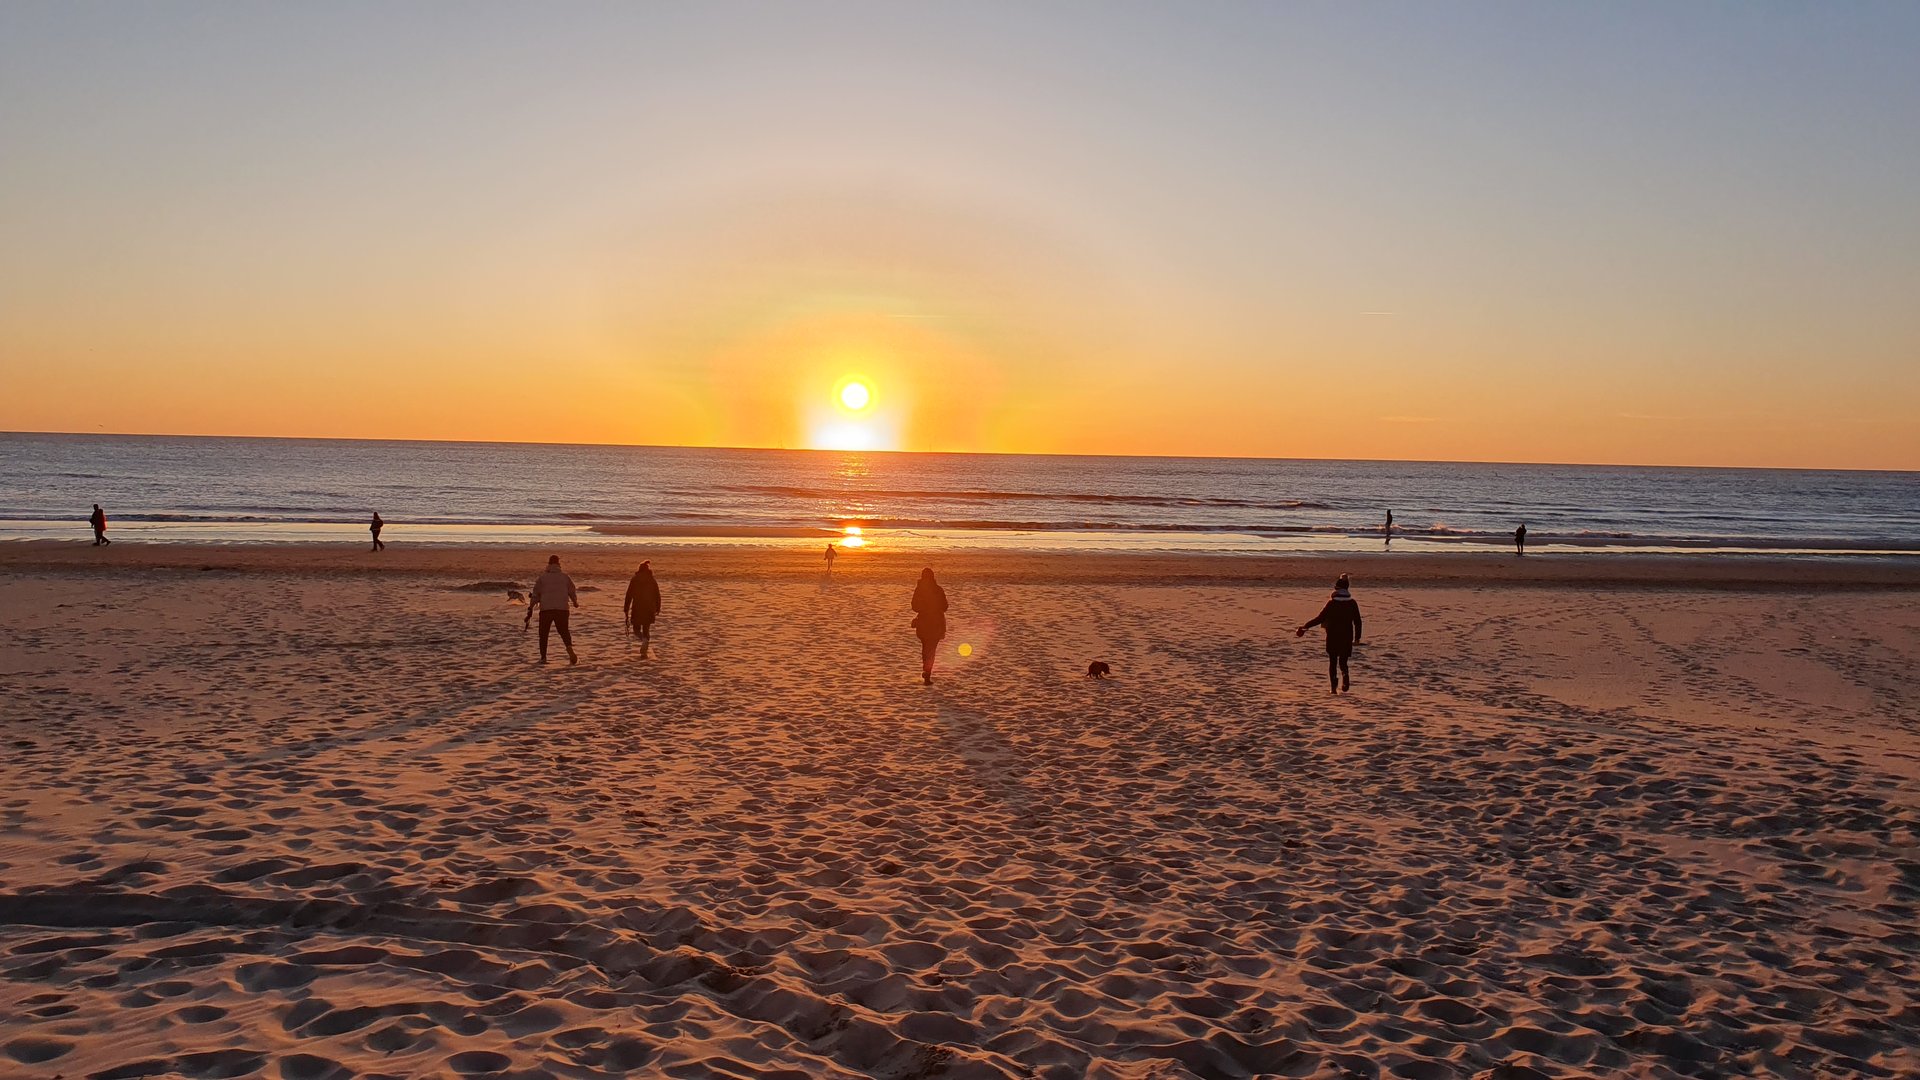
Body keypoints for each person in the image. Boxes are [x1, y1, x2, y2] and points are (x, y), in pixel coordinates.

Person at [1296, 574, 1363, 694]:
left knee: (1333, 662)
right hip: (1347, 636)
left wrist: (1305, 626)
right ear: (1347, 589)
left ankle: (1333, 688)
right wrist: (1357, 637)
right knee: (1343, 662)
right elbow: (1358, 621)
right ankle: (1345, 675)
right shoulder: (1352, 603)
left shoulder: (1331, 604)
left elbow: (1320, 618)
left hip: (1332, 636)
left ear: (1336, 589)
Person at [529, 555, 579, 665]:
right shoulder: (565, 577)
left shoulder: (542, 578)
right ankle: (569, 649)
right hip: (562, 609)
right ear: (559, 564)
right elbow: (572, 591)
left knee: (543, 633)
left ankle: (543, 657)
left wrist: (531, 607)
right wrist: (575, 602)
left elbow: (536, 594)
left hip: (546, 609)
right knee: (564, 631)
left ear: (549, 564)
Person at [910, 567, 948, 685]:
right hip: (936, 623)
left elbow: (914, 607)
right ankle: (928, 673)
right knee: (932, 650)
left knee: (926, 649)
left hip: (924, 623)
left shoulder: (919, 590)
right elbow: (945, 607)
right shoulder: (938, 589)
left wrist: (924, 608)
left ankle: (926, 671)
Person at [623, 560, 662, 658]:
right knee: (646, 629)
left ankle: (644, 642)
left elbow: (629, 595)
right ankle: (645, 644)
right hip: (649, 608)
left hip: (637, 608)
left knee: (636, 629)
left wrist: (626, 609)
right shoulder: (652, 580)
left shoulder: (635, 579)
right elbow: (657, 595)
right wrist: (658, 607)